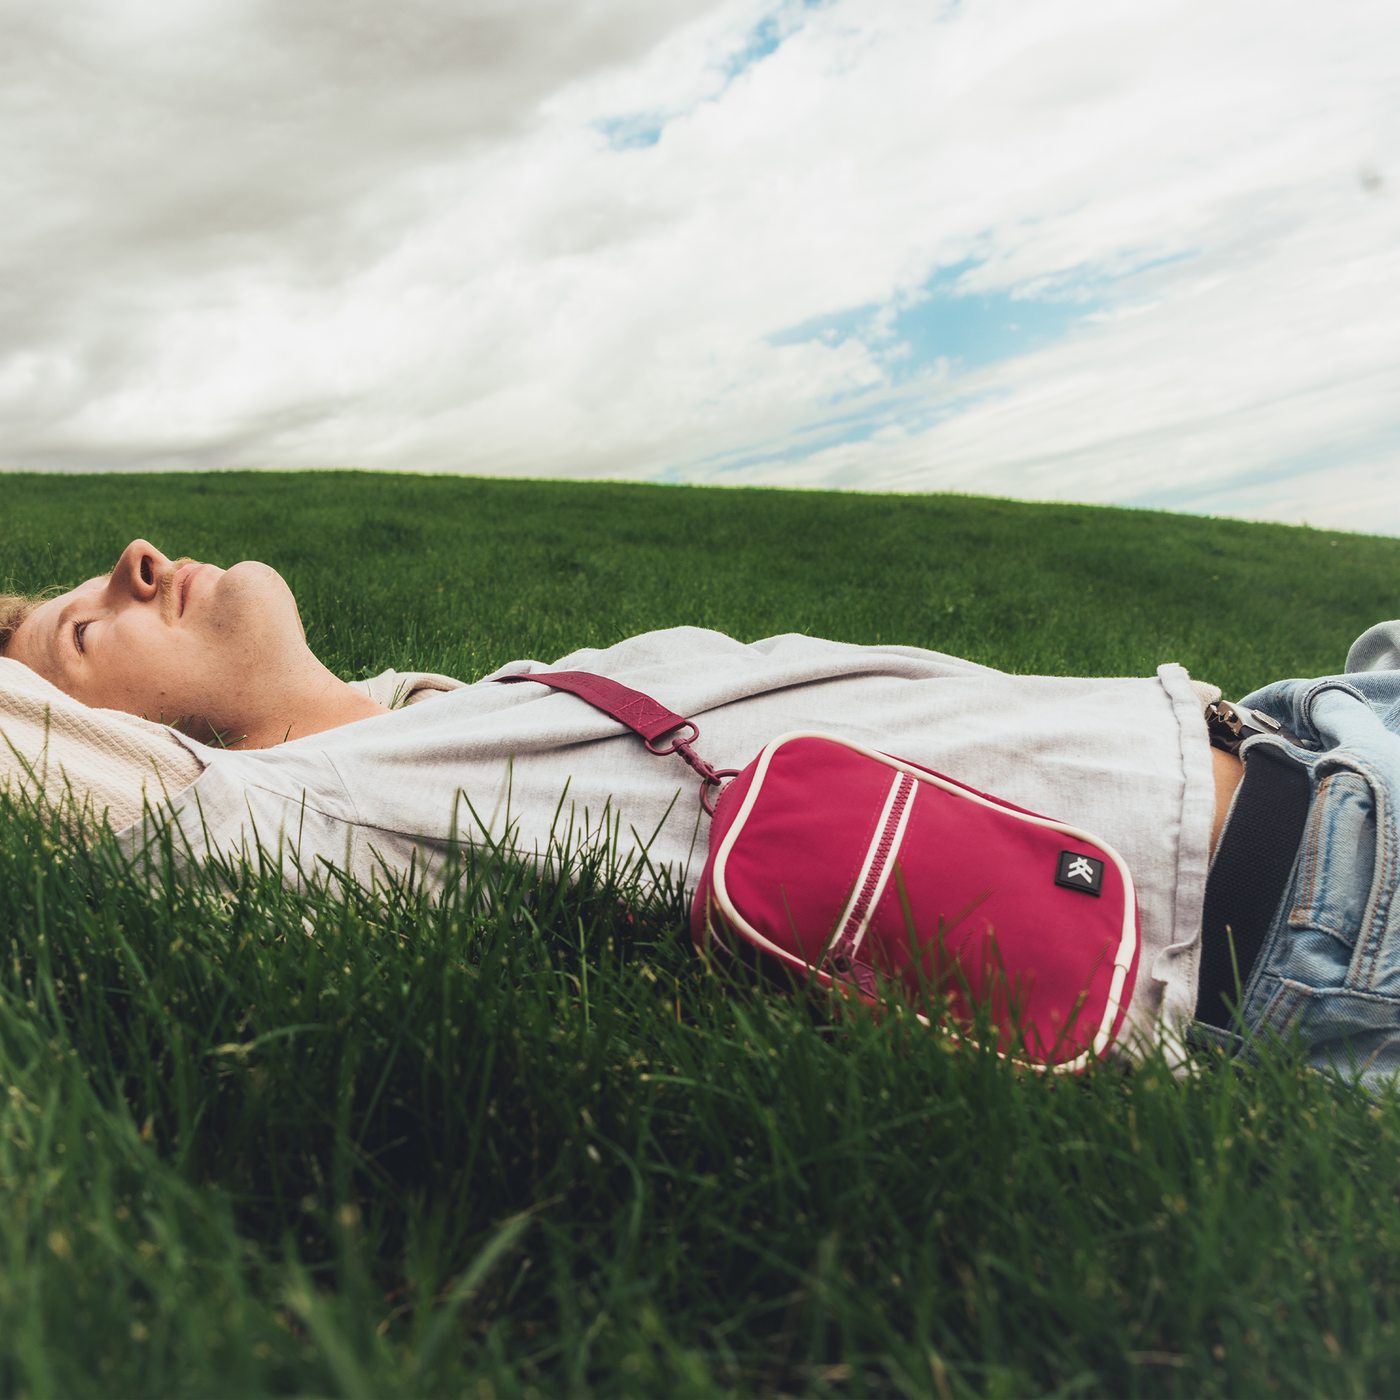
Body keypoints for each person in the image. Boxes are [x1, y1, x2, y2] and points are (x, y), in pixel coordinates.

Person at [2, 539, 1398, 1089]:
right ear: (90, 738)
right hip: (1321, 898)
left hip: (1306, 716)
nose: (128, 562)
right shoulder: (289, 812)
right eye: (79, 630)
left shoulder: (441, 712)